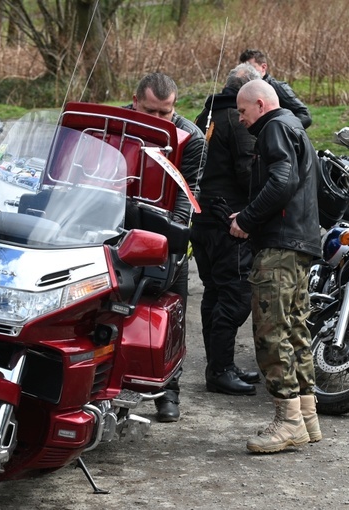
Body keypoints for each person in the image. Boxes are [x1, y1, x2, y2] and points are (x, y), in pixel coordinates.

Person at [229, 79, 322, 453]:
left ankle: (287, 423)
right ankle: (307, 416)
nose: (240, 119)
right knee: (296, 328)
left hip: (280, 247)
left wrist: (247, 219)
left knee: (271, 334)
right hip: (300, 243)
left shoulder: (274, 129)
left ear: (261, 104)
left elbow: (282, 181)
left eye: (242, 111)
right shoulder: (293, 126)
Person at [125, 72, 207, 421]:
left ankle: (168, 392)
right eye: (151, 111)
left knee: (171, 310)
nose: (158, 120)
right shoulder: (116, 123)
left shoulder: (191, 137)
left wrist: (174, 235)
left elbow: (191, 190)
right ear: (134, 101)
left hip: (165, 232)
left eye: (165, 113)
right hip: (116, 226)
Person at [192, 63, 262, 396]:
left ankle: (220, 366)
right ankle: (219, 370)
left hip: (202, 219)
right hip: (227, 223)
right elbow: (248, 172)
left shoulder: (205, 116)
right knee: (235, 296)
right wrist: (256, 213)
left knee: (215, 294)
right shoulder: (238, 120)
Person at [238, 49, 312, 129]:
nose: (247, 72)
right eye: (244, 69)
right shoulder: (243, 89)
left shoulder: (278, 87)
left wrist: (281, 129)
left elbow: (305, 115)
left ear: (263, 67)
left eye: (251, 68)